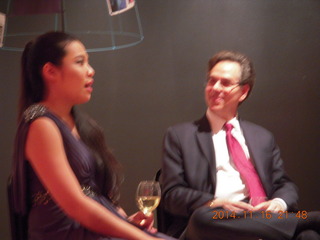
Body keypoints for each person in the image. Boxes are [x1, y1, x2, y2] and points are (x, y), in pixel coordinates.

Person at [10, 31, 176, 240]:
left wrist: (126, 221)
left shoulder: (79, 123)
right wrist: (140, 237)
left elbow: (94, 195)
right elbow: (77, 205)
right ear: (50, 71)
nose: (91, 71)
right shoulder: (40, 125)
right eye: (80, 62)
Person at [160, 50, 320, 240]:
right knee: (202, 217)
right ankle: (311, 219)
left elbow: (284, 183)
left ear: (243, 92)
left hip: (260, 216)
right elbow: (171, 194)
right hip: (214, 219)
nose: (215, 87)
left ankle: (301, 224)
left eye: (225, 83)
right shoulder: (180, 135)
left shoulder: (262, 137)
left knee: (309, 236)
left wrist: (278, 203)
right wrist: (215, 202)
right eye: (212, 81)